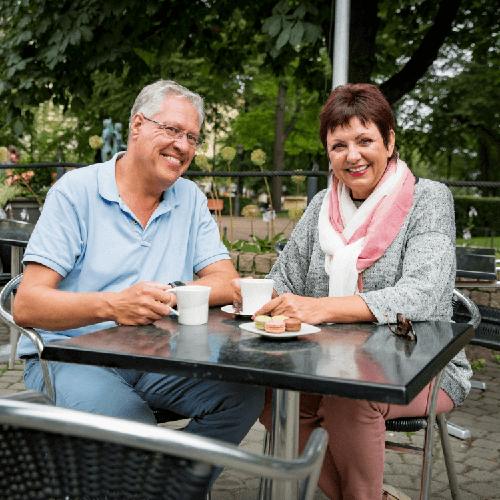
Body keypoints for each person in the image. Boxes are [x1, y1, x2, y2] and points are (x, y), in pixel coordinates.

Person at [235, 83, 471, 500]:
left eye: (365, 140)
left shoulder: (428, 199)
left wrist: (323, 308)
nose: (352, 155)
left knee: (351, 396)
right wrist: (252, 295)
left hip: (423, 365)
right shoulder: (320, 206)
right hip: (325, 361)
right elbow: (283, 278)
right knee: (268, 394)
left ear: (389, 142)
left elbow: (424, 294)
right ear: (328, 152)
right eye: (339, 145)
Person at [13, 80, 264, 450]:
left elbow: (227, 281)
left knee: (242, 396)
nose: (183, 145)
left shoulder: (190, 198)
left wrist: (170, 296)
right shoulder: (76, 191)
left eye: (192, 137)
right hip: (69, 356)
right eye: (172, 129)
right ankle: (145, 473)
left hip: (156, 356)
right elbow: (27, 305)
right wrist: (114, 306)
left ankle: (163, 479)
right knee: (135, 429)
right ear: (136, 125)